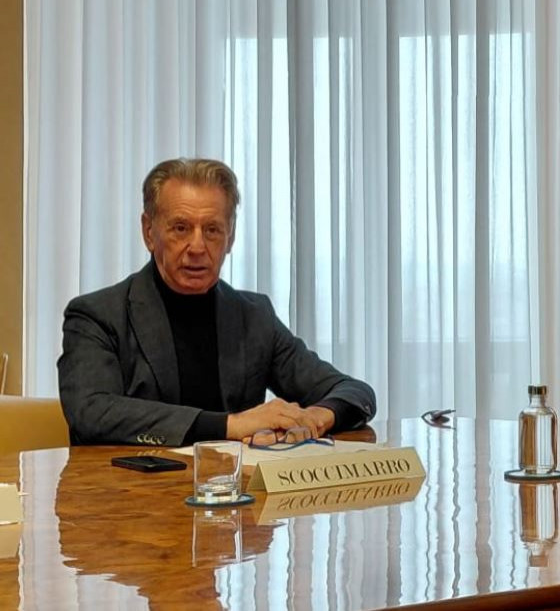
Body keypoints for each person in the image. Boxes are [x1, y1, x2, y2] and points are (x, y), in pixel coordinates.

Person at [58, 158, 377, 446]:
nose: (198, 247)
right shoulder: (97, 315)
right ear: (149, 232)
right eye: (181, 228)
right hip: (131, 487)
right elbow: (92, 412)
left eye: (212, 230)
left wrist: (318, 416)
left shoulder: (253, 317)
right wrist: (231, 425)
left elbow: (354, 391)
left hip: (233, 488)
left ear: (231, 237)